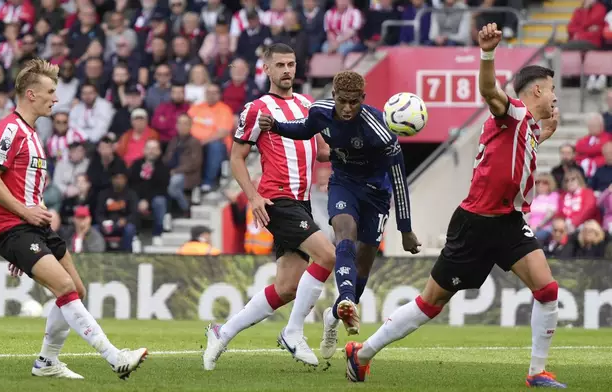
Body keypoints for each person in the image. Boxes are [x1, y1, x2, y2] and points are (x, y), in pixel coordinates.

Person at [337, 24, 565, 388]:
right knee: (432, 302)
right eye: (552, 89)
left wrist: (546, 131)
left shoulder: (527, 128)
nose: (555, 96)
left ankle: (537, 372)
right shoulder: (512, 112)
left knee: (547, 290)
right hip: (475, 224)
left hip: (509, 222)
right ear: (537, 89)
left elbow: (526, 145)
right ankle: (361, 353)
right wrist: (487, 53)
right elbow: (489, 90)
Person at [0, 59, 147, 380]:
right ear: (31, 94)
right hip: (15, 227)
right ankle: (115, 357)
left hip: (35, 228)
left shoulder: (33, 133)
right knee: (65, 286)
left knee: (76, 290)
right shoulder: (9, 129)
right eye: (51, 91)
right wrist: (22, 218)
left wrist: (30, 228)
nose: (56, 98)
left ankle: (46, 362)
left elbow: (24, 187)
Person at [259, 70, 420, 357]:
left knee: (363, 265)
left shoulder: (381, 132)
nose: (347, 108)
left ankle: (335, 315)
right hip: (343, 183)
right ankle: (346, 299)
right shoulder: (321, 111)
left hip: (376, 194)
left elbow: (399, 180)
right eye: (342, 101)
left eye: (354, 102)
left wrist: (405, 229)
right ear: (333, 96)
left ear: (363, 99)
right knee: (344, 232)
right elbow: (304, 128)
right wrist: (276, 126)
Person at [202, 43, 333, 370]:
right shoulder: (256, 110)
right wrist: (254, 197)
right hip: (277, 200)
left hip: (301, 202)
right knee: (328, 255)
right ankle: (293, 331)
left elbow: (324, 151)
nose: (287, 70)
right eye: (281, 65)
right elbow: (236, 158)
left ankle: (223, 331)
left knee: (288, 287)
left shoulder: (307, 104)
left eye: (291, 64)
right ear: (267, 70)